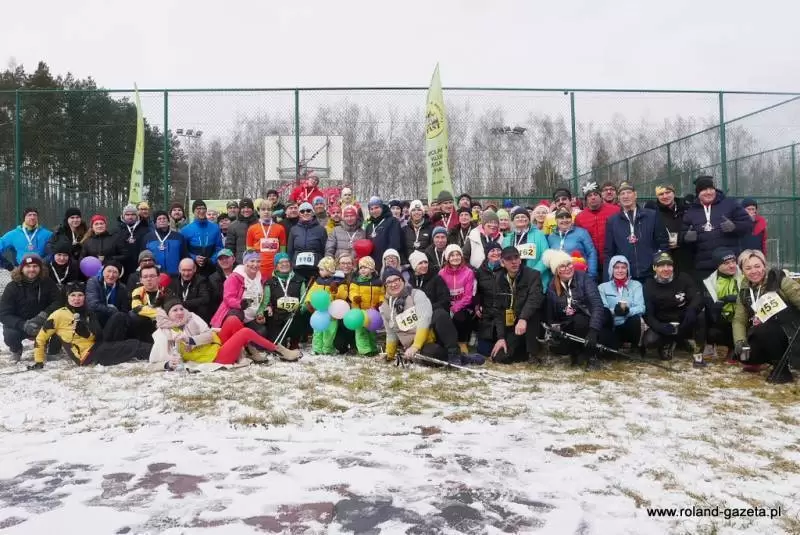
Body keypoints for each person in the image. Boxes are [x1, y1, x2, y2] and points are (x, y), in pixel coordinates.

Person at [30, 281, 152, 369]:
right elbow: (41, 338)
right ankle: (156, 351)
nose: (76, 299)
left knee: (119, 317)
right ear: (67, 297)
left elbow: (98, 336)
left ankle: (143, 345)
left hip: (97, 345)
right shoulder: (58, 315)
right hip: (87, 356)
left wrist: (87, 332)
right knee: (132, 345)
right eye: (73, 295)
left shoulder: (88, 312)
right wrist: (39, 361)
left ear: (84, 297)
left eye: (80, 295)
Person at [150, 298, 299, 369]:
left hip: (216, 343)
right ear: (167, 315)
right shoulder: (165, 332)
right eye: (174, 310)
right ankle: (278, 350)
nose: (179, 313)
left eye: (181, 309)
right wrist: (168, 364)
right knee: (245, 332)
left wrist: (190, 340)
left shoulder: (191, 317)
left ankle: (250, 351)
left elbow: (208, 335)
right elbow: (153, 363)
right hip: (215, 357)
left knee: (233, 319)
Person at [380, 268, 477, 366]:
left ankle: (454, 354)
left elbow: (424, 320)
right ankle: (462, 358)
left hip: (432, 335)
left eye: (396, 280)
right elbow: (391, 333)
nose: (394, 284)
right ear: (385, 286)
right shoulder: (385, 308)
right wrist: (389, 355)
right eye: (389, 282)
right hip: (420, 346)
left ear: (402, 280)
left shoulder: (416, 294)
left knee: (440, 314)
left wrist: (415, 346)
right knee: (432, 352)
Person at [732, 249, 800, 383]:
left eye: (757, 266)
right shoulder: (745, 290)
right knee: (745, 356)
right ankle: (775, 359)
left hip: (792, 331)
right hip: (766, 333)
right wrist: (739, 341)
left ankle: (783, 370)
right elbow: (739, 320)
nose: (754, 271)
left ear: (764, 265)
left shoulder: (781, 281)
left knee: (764, 329)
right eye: (748, 268)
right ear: (742, 271)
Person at [682, 175, 752, 282]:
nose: (708, 192)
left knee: (732, 292)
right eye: (704, 190)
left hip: (730, 264)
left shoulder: (730, 204)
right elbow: (682, 234)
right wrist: (686, 238)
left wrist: (735, 227)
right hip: (704, 267)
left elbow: (748, 224)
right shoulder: (691, 211)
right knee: (708, 293)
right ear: (698, 193)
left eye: (711, 189)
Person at [542, 249, 604, 369]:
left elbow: (597, 305)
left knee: (579, 320)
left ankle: (592, 356)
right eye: (562, 266)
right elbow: (550, 315)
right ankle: (576, 351)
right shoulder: (552, 286)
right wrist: (554, 328)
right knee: (558, 348)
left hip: (587, 322)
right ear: (556, 271)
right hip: (568, 325)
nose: (567, 268)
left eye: (569, 264)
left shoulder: (584, 278)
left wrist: (593, 330)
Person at [643, 252, 706, 365]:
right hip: (663, 322)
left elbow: (697, 297)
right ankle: (668, 342)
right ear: (654, 268)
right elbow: (648, 314)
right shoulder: (649, 284)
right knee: (650, 342)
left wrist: (692, 310)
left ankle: (698, 351)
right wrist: (659, 327)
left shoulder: (683, 278)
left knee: (700, 316)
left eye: (669, 265)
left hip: (684, 320)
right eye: (661, 265)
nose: (666, 269)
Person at [488, 246, 545, 364]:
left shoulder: (533, 275)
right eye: (509, 259)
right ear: (502, 263)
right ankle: (522, 351)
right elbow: (498, 311)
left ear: (520, 259)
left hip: (530, 323)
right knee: (499, 357)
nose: (514, 262)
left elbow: (534, 299)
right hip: (512, 325)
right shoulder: (498, 279)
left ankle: (533, 353)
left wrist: (523, 318)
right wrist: (501, 337)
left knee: (533, 314)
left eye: (516, 257)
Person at [0, 254, 63, 362]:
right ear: (21, 268)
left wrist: (42, 316)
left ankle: (52, 350)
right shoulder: (12, 286)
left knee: (62, 324)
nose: (32, 269)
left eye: (35, 266)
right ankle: (16, 350)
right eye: (28, 266)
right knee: (10, 334)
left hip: (44, 322)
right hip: (22, 324)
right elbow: (3, 313)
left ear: (40, 268)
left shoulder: (48, 283)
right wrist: (23, 324)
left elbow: (58, 302)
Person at [604, 182, 669, 283]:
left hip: (651, 274)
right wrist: (607, 279)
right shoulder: (612, 221)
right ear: (618, 198)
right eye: (622, 194)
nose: (626, 196)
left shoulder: (652, 215)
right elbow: (609, 251)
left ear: (635, 195)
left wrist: (661, 266)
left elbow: (663, 243)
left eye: (629, 192)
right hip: (626, 276)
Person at [701, 248, 742, 362]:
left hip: (742, 316)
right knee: (704, 317)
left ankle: (735, 347)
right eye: (726, 263)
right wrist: (718, 305)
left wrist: (736, 298)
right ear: (718, 265)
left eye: (733, 261)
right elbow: (710, 306)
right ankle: (709, 344)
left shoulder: (744, 274)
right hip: (724, 318)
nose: (732, 266)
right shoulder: (710, 282)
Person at [597, 255, 646, 350]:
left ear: (627, 269)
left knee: (636, 319)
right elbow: (604, 310)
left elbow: (641, 307)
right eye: (616, 267)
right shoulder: (602, 287)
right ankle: (612, 344)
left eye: (623, 267)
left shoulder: (636, 285)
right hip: (612, 326)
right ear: (611, 269)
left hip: (628, 324)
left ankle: (634, 346)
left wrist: (627, 311)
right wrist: (615, 311)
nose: (620, 270)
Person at [264, 253, 308, 350]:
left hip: (294, 316)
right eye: (281, 262)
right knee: (279, 346)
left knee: (299, 318)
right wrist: (265, 309)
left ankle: (294, 341)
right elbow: (265, 301)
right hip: (277, 317)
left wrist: (302, 308)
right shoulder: (270, 282)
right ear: (276, 265)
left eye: (287, 261)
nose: (284, 264)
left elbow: (304, 299)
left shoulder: (299, 280)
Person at [647, 184, 692, 275]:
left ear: (673, 193)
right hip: (665, 258)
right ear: (657, 197)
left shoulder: (686, 208)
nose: (665, 196)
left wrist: (681, 240)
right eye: (661, 194)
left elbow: (693, 230)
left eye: (668, 192)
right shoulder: (653, 213)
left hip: (687, 256)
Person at [439, 244, 476, 354]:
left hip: (463, 305)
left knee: (461, 316)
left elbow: (468, 296)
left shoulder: (468, 272)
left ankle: (462, 341)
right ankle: (447, 343)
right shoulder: (441, 273)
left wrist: (456, 307)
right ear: (447, 258)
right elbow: (441, 293)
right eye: (452, 255)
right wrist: (449, 306)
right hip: (447, 304)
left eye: (458, 255)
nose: (455, 257)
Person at [305, 257, 347, 354]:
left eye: (322, 269)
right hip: (319, 311)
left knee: (330, 331)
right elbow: (311, 292)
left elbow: (342, 296)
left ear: (330, 270)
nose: (319, 271)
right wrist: (308, 302)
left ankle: (327, 348)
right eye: (319, 269)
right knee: (317, 330)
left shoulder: (338, 282)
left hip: (331, 312)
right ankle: (317, 348)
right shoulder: (318, 281)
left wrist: (335, 291)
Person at [575, 182, 619, 270]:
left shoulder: (615, 211)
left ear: (600, 196)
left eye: (595, 194)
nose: (593, 197)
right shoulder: (579, 217)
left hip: (613, 260)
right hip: (591, 262)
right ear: (586, 199)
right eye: (589, 195)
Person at [503, 207, 550, 288]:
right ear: (513, 221)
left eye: (523, 216)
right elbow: (504, 258)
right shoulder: (508, 238)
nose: (520, 219)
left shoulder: (539, 234)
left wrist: (532, 274)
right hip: (514, 279)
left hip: (535, 279)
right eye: (517, 217)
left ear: (528, 220)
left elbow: (546, 256)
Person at [347, 256, 384, 356]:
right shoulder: (356, 281)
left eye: (365, 267)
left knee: (372, 331)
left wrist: (380, 301)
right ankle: (364, 350)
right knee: (361, 331)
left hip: (372, 311)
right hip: (360, 311)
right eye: (361, 268)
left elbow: (382, 294)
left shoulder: (378, 282)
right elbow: (352, 292)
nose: (362, 270)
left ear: (372, 269)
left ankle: (373, 348)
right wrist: (355, 298)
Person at [547, 208, 598, 279]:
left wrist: (591, 274)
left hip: (579, 276)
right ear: (556, 220)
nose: (565, 220)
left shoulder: (582, 233)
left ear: (571, 218)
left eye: (567, 217)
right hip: (559, 277)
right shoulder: (551, 237)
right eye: (561, 217)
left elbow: (591, 253)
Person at [181, 200, 224, 278]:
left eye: (203, 208)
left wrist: (211, 260)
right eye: (198, 208)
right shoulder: (185, 230)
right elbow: (184, 251)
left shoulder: (215, 227)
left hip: (212, 268)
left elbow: (219, 247)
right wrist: (194, 258)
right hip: (193, 269)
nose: (201, 211)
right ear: (193, 211)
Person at [246, 200, 287, 279]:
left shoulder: (280, 228)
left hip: (275, 267)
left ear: (272, 212)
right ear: (258, 212)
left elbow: (283, 250)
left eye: (269, 209)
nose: (266, 212)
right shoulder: (252, 229)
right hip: (258, 267)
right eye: (263, 209)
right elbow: (249, 252)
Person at [287, 201, 327, 280]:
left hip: (314, 269)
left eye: (308, 210)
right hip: (298, 269)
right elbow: (290, 250)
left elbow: (324, 249)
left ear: (312, 213)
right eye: (302, 211)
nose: (305, 213)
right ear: (299, 214)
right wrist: (290, 265)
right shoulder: (294, 229)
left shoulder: (321, 229)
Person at [142, 210, 188, 276]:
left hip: (175, 275)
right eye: (159, 219)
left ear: (168, 222)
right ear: (155, 223)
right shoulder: (148, 238)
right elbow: (144, 258)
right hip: (155, 275)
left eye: (164, 218)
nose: (162, 220)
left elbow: (184, 256)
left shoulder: (178, 237)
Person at [365, 196, 404, 273]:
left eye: (376, 208)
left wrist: (388, 262)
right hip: (373, 266)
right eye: (371, 209)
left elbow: (394, 244)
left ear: (382, 207)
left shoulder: (392, 221)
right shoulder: (369, 226)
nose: (374, 211)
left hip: (387, 264)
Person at [86, 260, 130, 327]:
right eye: (109, 271)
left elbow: (125, 309)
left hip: (115, 319)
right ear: (103, 272)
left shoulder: (122, 288)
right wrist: (112, 311)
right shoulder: (93, 282)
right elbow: (93, 305)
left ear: (119, 275)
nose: (111, 275)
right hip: (97, 317)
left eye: (115, 272)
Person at [129, 265, 167, 342]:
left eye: (152, 276)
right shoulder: (137, 291)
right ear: (141, 280)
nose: (149, 279)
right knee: (132, 314)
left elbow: (170, 311)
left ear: (158, 278)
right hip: (145, 327)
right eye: (145, 277)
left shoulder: (165, 291)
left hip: (162, 326)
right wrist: (158, 313)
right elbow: (136, 307)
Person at [168, 258, 212, 322]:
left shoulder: (202, 280)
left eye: (189, 270)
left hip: (196, 316)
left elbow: (205, 299)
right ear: (179, 269)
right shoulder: (173, 280)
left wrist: (183, 303)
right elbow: (169, 298)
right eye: (183, 270)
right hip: (178, 316)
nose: (186, 274)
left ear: (195, 269)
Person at [116, 204, 150, 282]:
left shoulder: (145, 230)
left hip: (140, 267)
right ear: (123, 216)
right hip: (122, 268)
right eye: (127, 215)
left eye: (133, 214)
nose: (130, 217)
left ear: (137, 216)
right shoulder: (117, 231)